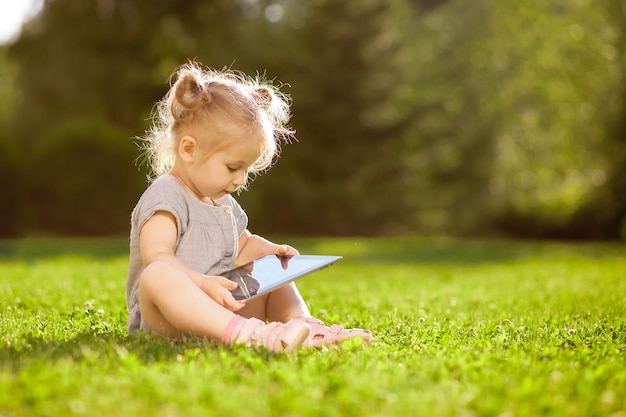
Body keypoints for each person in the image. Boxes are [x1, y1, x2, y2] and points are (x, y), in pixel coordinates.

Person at [125, 62, 372, 352]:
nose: (241, 180)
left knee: (271, 274)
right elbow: (158, 256)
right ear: (189, 150)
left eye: (247, 170)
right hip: (170, 320)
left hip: (220, 310)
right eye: (233, 167)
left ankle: (304, 327)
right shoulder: (166, 196)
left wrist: (269, 253)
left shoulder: (223, 202)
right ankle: (250, 334)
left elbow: (240, 246)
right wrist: (202, 284)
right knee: (157, 275)